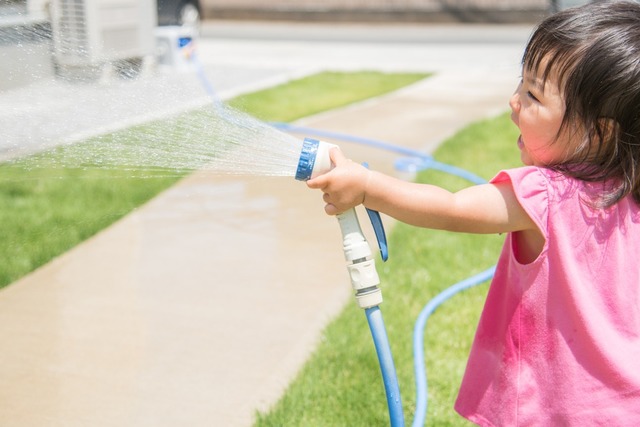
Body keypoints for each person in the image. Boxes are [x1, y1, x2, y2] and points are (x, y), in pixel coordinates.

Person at [306, 1, 640, 425]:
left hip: (554, 408)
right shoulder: (628, 196)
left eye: (533, 95)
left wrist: (368, 187)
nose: (513, 100)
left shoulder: (546, 195)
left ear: (599, 131)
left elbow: (451, 208)